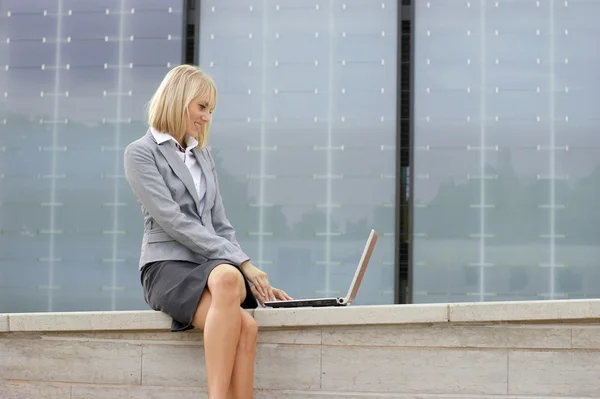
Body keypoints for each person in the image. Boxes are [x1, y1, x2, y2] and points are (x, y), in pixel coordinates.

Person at [123, 64, 292, 399]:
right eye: (202, 107)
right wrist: (242, 264)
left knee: (248, 328)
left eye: (211, 110)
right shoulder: (140, 153)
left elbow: (220, 223)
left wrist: (251, 270)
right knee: (229, 277)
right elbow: (173, 220)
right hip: (166, 266)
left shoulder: (202, 154)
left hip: (209, 267)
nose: (207, 118)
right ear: (177, 100)